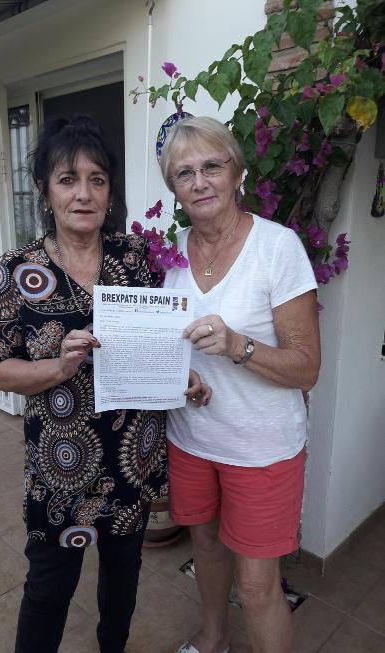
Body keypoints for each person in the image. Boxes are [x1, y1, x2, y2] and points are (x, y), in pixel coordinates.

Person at [0, 115, 210, 653]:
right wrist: (57, 369)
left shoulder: (136, 260)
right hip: (61, 471)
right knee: (48, 591)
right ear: (44, 190)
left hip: (131, 461)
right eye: (67, 179)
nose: (83, 194)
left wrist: (183, 374)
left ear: (110, 192)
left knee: (121, 586)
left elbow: (158, 342)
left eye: (97, 179)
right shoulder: (18, 270)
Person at [159, 116, 321, 653]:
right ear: (174, 189)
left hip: (262, 449)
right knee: (205, 549)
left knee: (255, 587)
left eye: (212, 166)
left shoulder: (278, 248)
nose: (200, 181)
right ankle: (212, 641)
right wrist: (176, 376)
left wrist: (238, 347)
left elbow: (306, 367)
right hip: (192, 440)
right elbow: (167, 343)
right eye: (185, 173)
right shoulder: (169, 256)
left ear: (237, 173)